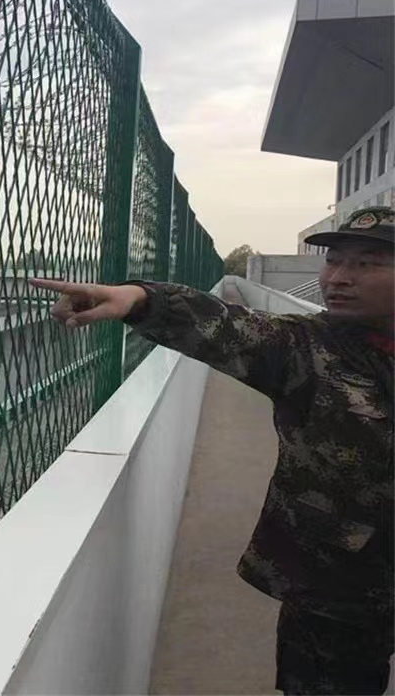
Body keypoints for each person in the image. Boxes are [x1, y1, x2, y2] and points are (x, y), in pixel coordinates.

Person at [30, 205, 394, 696]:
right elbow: (224, 326)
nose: (339, 277)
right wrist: (140, 300)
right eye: (334, 261)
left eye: (368, 263)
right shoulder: (306, 348)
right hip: (335, 592)